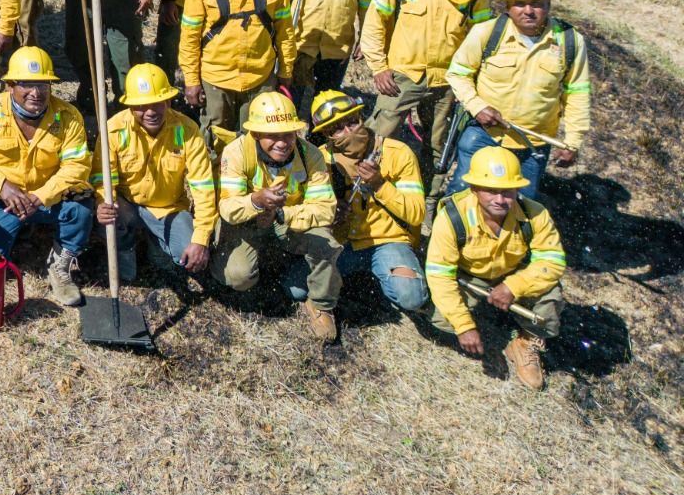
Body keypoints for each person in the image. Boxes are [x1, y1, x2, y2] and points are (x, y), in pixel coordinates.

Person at [361, 0, 491, 226]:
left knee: (437, 147)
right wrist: (379, 67)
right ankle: (365, 194)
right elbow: (374, 23)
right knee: (379, 137)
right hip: (402, 77)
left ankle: (426, 206)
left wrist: (471, 82)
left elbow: (482, 38)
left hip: (449, 82)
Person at [0, 48, 94, 307]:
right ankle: (18, 229)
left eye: (43, 84)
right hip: (3, 201)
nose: (36, 92)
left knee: (81, 209)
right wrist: (2, 186)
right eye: (26, 84)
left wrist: (41, 196)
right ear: (10, 86)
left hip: (50, 198)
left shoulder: (68, 116)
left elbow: (77, 165)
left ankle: (60, 264)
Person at [424, 146, 567, 390]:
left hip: (512, 273)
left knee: (550, 300)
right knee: (439, 315)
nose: (500, 200)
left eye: (507, 192)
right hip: (469, 278)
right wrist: (464, 325)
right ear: (474, 189)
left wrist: (514, 286)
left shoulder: (535, 215)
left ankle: (526, 343)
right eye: (491, 191)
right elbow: (440, 275)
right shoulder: (452, 217)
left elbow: (552, 262)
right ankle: (480, 316)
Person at [445, 0, 590, 204]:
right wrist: (478, 107)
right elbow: (458, 73)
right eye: (520, 4)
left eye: (537, 3)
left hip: (533, 144)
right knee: (463, 196)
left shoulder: (569, 41)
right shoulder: (487, 32)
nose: (528, 11)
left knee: (519, 206)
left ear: (549, 4)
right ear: (507, 6)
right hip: (483, 134)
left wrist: (573, 141)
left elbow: (577, 92)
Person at [211, 92, 341, 342]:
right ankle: (230, 259)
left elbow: (325, 208)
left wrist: (282, 213)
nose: (282, 143)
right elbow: (227, 207)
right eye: (273, 136)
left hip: (288, 221)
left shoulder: (311, 155)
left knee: (327, 244)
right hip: (246, 222)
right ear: (256, 133)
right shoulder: (236, 152)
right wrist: (255, 201)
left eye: (288, 134)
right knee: (239, 276)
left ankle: (321, 304)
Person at [301, 90, 428, 316]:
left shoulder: (398, 153)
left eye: (352, 122)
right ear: (326, 135)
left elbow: (416, 214)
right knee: (297, 288)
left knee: (411, 297)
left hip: (387, 241)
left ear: (361, 117)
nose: (348, 131)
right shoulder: (319, 159)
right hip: (342, 243)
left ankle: (383, 275)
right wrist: (330, 213)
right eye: (337, 128)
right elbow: (308, 209)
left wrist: (380, 185)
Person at [92, 64, 217, 284]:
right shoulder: (113, 129)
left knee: (186, 253)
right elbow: (103, 181)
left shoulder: (188, 131)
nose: (150, 112)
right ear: (130, 106)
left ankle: (157, 242)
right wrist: (102, 203)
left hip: (168, 209)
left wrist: (201, 238)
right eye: (141, 106)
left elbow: (203, 188)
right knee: (107, 217)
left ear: (168, 102)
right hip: (127, 205)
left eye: (157, 103)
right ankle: (125, 247)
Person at [178, 0, 296, 140]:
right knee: (216, 136)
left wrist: (286, 70)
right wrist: (191, 81)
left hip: (260, 77)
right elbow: (189, 38)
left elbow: (285, 31)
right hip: (216, 79)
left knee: (258, 137)